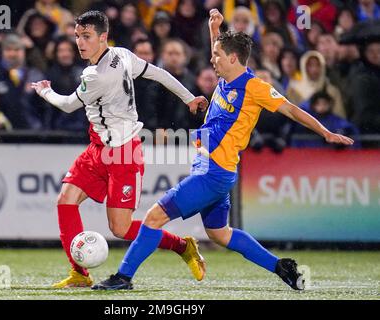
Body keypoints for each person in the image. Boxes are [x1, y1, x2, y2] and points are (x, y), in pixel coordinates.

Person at [92, 9, 354, 291]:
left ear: (232, 58)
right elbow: (220, 49)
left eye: (217, 55)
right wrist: (214, 28)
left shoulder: (254, 87)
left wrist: (325, 132)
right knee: (220, 234)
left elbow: (291, 109)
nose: (211, 59)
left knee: (154, 217)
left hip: (214, 173)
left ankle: (123, 277)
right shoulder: (226, 77)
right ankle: (282, 267)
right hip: (210, 167)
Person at [31, 10, 208, 288]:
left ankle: (182, 246)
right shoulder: (123, 54)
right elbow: (158, 73)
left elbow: (67, 105)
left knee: (121, 228)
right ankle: (80, 274)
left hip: (124, 153)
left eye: (86, 36)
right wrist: (189, 98)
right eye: (77, 36)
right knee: (66, 201)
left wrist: (44, 91)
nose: (80, 42)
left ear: (103, 38)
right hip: (98, 148)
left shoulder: (96, 75)